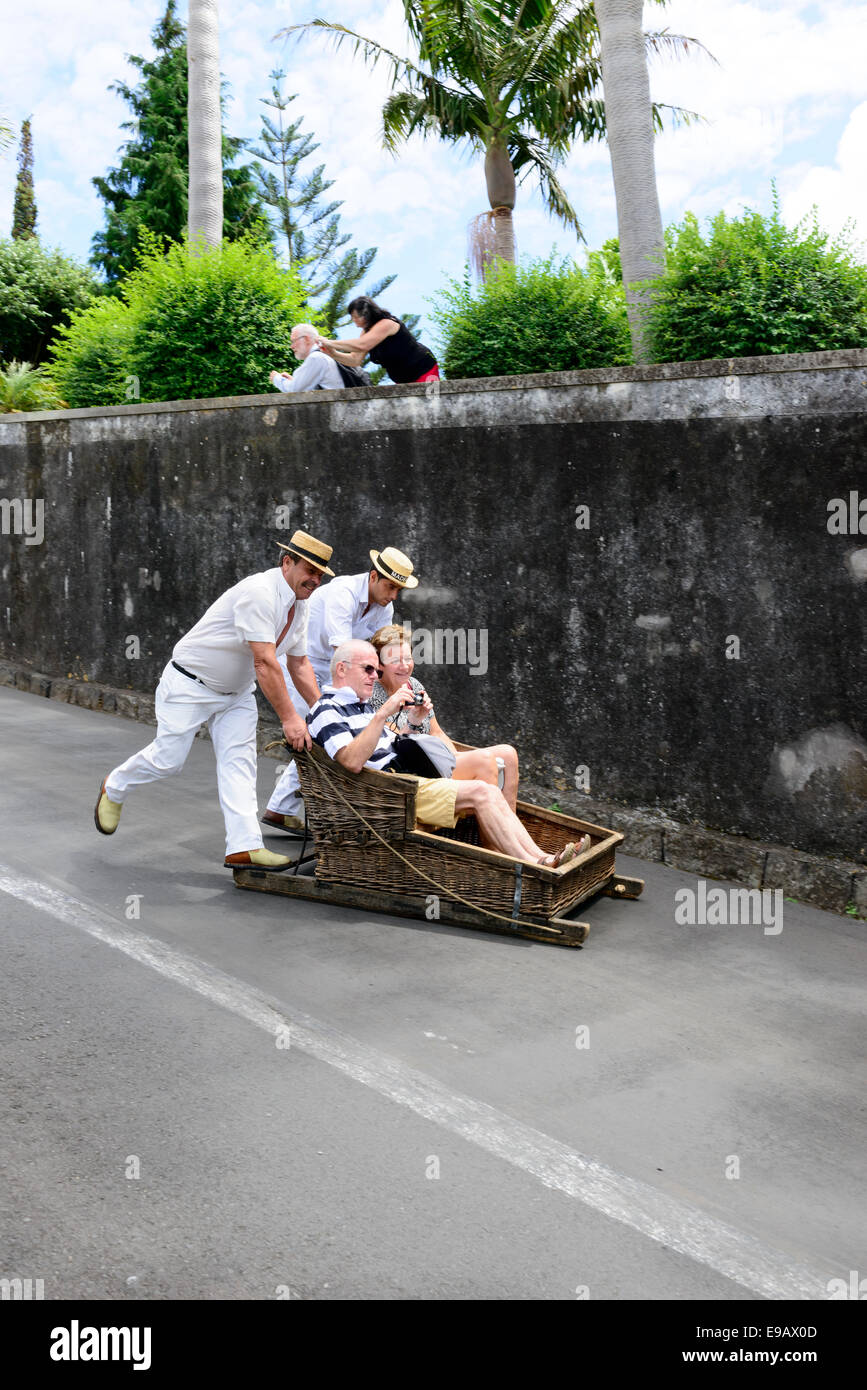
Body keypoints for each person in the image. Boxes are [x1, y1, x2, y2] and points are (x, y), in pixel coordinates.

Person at [94, 530, 336, 872]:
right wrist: (290, 719)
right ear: (287, 562)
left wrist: (324, 711)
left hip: (236, 694)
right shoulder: (260, 593)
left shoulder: (301, 606)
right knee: (168, 760)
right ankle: (114, 786)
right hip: (190, 683)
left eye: (319, 574)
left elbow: (298, 663)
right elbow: (265, 662)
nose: (314, 579)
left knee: (239, 764)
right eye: (309, 570)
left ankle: (244, 847)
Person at [308, 640, 581, 869]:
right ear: (341, 669)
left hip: (404, 775)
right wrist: (383, 713)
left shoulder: (362, 706)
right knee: (483, 792)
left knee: (492, 780)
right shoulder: (326, 710)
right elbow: (351, 761)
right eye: (368, 669)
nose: (374, 677)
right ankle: (535, 866)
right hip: (390, 791)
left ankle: (540, 858)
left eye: (376, 672)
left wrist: (414, 721)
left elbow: (395, 747)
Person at [262, 546, 419, 832]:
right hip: (304, 663)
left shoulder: (386, 607)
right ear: (373, 576)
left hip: (343, 666)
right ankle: (286, 810)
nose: (394, 595)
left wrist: (400, 686)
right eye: (390, 586)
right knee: (321, 732)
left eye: (399, 590)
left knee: (321, 736)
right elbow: (343, 654)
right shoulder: (342, 593)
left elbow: (376, 655)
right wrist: (336, 709)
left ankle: (279, 809)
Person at [369, 624, 521, 811]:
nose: (405, 666)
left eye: (408, 658)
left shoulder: (413, 685)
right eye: (395, 660)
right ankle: (492, 835)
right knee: (484, 759)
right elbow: (392, 747)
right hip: (411, 768)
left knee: (508, 754)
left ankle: (509, 823)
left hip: (434, 756)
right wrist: (413, 720)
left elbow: (437, 732)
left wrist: (453, 756)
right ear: (379, 664)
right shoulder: (373, 694)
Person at [318, 296, 439, 385]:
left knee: (432, 404)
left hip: (424, 368)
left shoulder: (387, 324)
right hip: (403, 378)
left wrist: (330, 342)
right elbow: (355, 360)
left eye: (355, 317)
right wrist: (332, 353)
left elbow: (362, 345)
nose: (354, 322)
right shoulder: (366, 332)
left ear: (366, 314)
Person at [269, 323, 344, 393]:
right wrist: (294, 381)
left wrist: (277, 378)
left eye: (293, 341)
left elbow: (294, 390)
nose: (291, 347)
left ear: (306, 339)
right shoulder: (322, 356)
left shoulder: (315, 358)